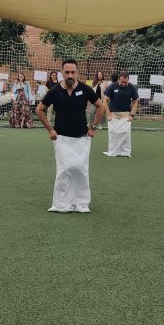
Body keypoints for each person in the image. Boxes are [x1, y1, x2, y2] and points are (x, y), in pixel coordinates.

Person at [36, 59, 104, 213]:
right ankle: (60, 204)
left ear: (77, 72)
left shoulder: (85, 89)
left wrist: (93, 127)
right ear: (62, 73)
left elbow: (101, 107)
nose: (70, 75)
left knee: (81, 170)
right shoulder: (54, 91)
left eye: (73, 72)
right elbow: (39, 110)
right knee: (64, 170)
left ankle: (81, 204)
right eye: (67, 72)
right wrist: (50, 130)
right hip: (61, 139)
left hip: (82, 139)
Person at [103, 72, 139, 157]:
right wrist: (108, 115)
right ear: (118, 79)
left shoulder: (132, 88)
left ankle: (125, 152)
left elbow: (135, 102)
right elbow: (104, 101)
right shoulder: (112, 86)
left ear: (128, 80)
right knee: (113, 134)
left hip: (126, 115)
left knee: (126, 135)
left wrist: (132, 115)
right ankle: (113, 151)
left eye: (125, 82)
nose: (123, 84)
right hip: (113, 115)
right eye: (121, 82)